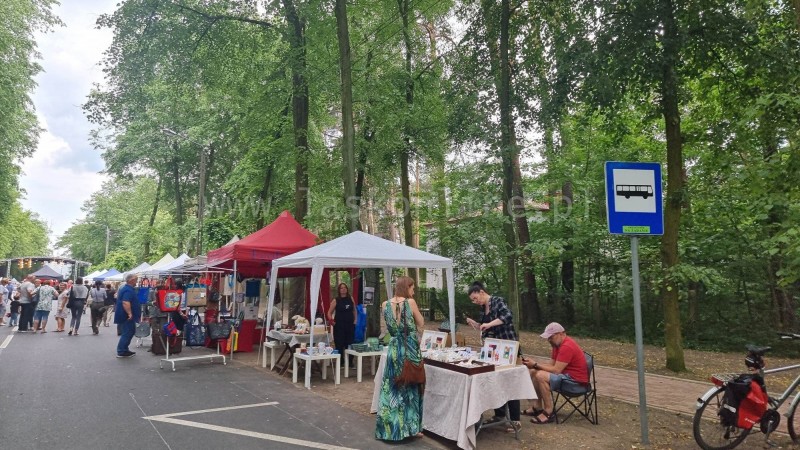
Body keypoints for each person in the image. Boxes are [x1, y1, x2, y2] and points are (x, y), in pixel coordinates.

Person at [464, 281, 521, 431]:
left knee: (509, 381)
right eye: (472, 300)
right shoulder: (483, 308)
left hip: (507, 347)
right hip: (493, 350)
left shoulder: (497, 301)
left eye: (475, 298)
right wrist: (476, 324)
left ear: (482, 292)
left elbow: (507, 316)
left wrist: (488, 325)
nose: (475, 302)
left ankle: (515, 419)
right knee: (495, 381)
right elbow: (486, 327)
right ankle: (500, 414)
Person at [375, 276, 425, 441]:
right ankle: (411, 429)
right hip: (409, 348)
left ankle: (390, 431)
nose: (413, 291)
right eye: (412, 288)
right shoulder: (410, 302)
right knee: (411, 386)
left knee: (392, 388)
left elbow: (389, 327)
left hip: (394, 348)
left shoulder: (385, 304)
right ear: (407, 287)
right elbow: (421, 323)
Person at [520, 322, 589, 425]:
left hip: (576, 384)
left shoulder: (567, 346)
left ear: (561, 334)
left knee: (541, 376)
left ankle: (548, 412)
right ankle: (537, 407)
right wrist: (534, 365)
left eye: (551, 337)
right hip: (566, 377)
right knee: (534, 371)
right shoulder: (557, 346)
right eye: (548, 337)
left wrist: (535, 364)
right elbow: (551, 365)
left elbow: (556, 370)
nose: (549, 340)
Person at [328, 282, 357, 366]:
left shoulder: (351, 298)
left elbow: (354, 310)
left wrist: (355, 320)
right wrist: (331, 321)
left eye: (345, 287)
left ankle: (350, 362)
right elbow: (329, 312)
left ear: (347, 289)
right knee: (339, 343)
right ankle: (341, 362)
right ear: (339, 290)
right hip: (339, 325)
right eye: (341, 288)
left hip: (350, 325)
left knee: (350, 343)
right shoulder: (336, 300)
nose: (343, 289)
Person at [114, 273, 140, 358]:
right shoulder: (128, 290)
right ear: (131, 280)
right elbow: (125, 302)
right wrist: (129, 313)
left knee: (129, 331)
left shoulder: (126, 289)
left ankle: (124, 349)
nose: (136, 282)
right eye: (136, 280)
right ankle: (122, 350)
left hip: (125, 314)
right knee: (128, 332)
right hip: (126, 315)